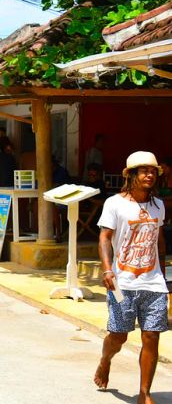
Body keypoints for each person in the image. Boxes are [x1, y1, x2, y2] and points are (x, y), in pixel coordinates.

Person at [94, 151, 167, 401]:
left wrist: (166, 277)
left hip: (153, 282)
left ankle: (144, 392)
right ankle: (105, 360)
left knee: (151, 335)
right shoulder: (114, 203)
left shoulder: (159, 205)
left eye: (153, 171)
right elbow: (104, 237)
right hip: (122, 282)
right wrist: (107, 269)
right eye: (144, 170)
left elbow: (159, 240)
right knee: (118, 336)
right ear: (132, 175)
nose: (149, 175)